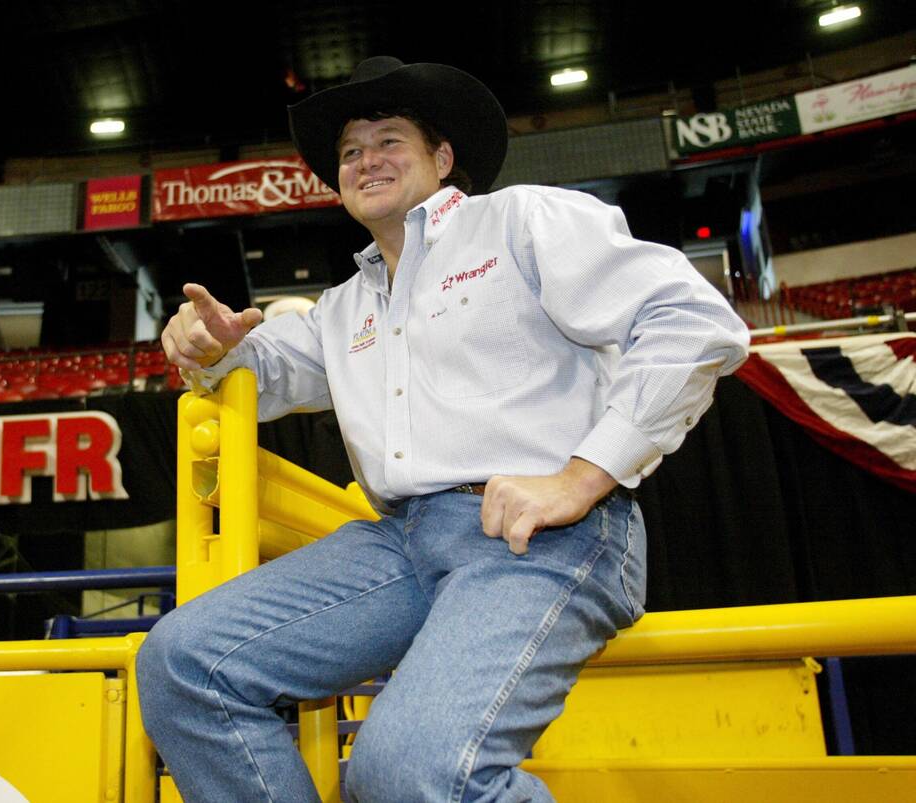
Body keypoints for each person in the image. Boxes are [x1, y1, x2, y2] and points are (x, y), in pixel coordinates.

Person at [138, 56, 750, 802]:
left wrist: (583, 475)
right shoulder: (344, 305)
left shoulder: (523, 219)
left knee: (404, 770)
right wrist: (205, 349)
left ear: (444, 158)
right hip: (400, 541)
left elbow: (693, 319)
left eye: (389, 139)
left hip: (537, 536)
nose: (367, 160)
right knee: (183, 662)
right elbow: (257, 368)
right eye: (350, 152)